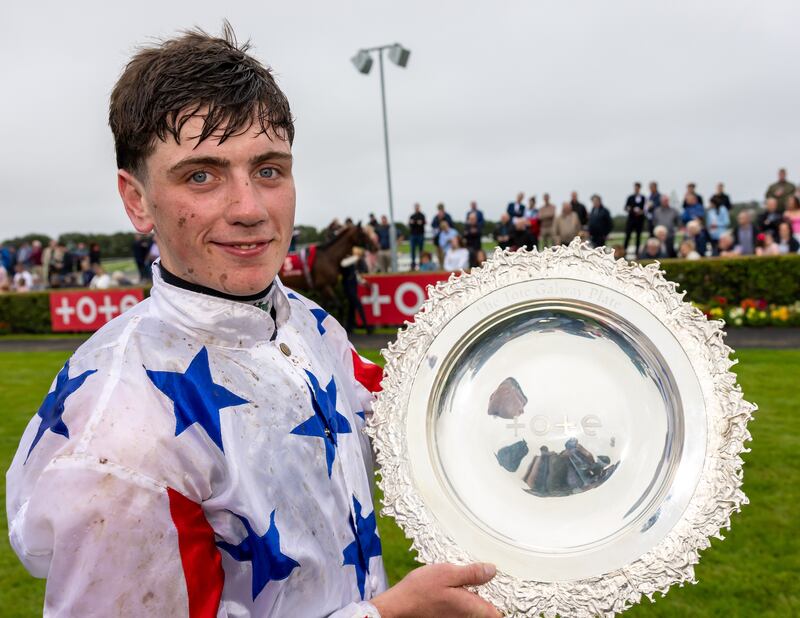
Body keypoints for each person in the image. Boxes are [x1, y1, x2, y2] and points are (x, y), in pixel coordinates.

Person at [6, 26, 500, 618]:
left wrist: (506, 387)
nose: (250, 209)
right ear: (135, 200)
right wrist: (390, 615)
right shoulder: (121, 437)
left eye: (268, 170)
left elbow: (405, 421)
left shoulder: (309, 322)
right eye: (201, 175)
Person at [340, 247, 372, 335]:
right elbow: (344, 264)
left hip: (352, 286)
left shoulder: (351, 260)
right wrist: (356, 257)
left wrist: (364, 282)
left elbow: (355, 274)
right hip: (348, 287)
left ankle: (348, 328)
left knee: (352, 308)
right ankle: (367, 327)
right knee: (358, 305)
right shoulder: (344, 259)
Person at [623, 182, 646, 256]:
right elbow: (626, 207)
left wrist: (641, 212)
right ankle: (624, 250)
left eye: (637, 188)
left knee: (638, 236)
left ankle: (637, 253)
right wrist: (631, 209)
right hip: (631, 219)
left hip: (639, 220)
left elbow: (645, 208)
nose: (636, 189)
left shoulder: (643, 198)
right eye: (635, 188)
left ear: (639, 188)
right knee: (628, 235)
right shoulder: (630, 197)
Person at [431, 203, 454, 267]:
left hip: (447, 241)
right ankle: (441, 267)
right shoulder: (436, 217)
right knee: (439, 255)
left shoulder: (447, 216)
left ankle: (447, 266)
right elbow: (433, 226)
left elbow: (451, 226)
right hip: (438, 240)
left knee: (447, 255)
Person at [408, 203, 426, 270]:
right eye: (416, 207)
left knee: (421, 250)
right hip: (413, 235)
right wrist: (417, 223)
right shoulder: (412, 216)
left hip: (420, 235)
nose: (417, 208)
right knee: (412, 250)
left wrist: (416, 223)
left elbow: (423, 223)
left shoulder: (422, 215)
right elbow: (410, 224)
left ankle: (421, 263)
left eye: (417, 207)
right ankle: (413, 265)